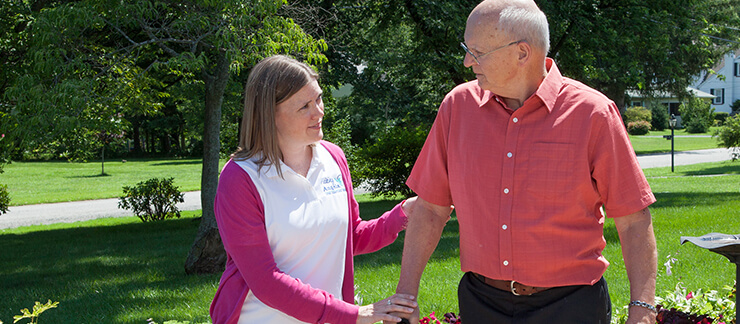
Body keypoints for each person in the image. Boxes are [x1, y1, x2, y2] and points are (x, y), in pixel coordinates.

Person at [390, 1, 658, 323]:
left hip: (571, 307)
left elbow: (633, 219)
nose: (466, 62)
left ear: (521, 53)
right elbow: (431, 209)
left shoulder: (593, 114)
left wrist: (642, 309)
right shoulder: (457, 108)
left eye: (476, 51)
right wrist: (405, 297)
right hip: (482, 302)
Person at [210, 55, 417, 324]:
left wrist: (402, 214)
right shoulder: (240, 178)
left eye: (318, 99)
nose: (319, 112)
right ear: (269, 114)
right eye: (304, 106)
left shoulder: (334, 158)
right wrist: (352, 314)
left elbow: (349, 237)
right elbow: (265, 281)